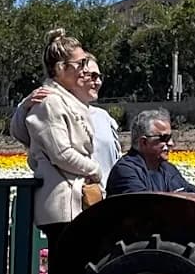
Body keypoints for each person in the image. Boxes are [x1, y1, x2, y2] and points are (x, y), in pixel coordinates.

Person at [21, 28, 102, 254]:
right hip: (63, 203)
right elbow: (61, 153)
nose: (85, 70)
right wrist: (94, 169)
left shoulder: (67, 100)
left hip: (75, 200)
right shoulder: (50, 102)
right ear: (60, 68)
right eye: (80, 64)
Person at [11, 55, 121, 183]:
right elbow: (21, 135)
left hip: (106, 195)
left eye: (100, 77)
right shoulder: (50, 109)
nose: (98, 82)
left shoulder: (104, 117)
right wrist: (24, 107)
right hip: (73, 194)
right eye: (92, 76)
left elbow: (115, 158)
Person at [106, 109, 195, 196]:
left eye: (171, 137)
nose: (171, 143)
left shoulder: (168, 169)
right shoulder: (125, 171)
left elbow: (191, 193)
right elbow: (148, 209)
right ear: (144, 142)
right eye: (164, 138)